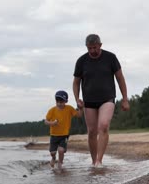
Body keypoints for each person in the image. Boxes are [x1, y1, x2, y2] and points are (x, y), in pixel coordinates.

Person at [73, 34, 130, 167]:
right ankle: (94, 161)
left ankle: (99, 160)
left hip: (107, 98)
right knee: (92, 131)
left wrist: (125, 99)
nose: (92, 51)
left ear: (100, 45)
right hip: (89, 101)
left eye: (95, 47)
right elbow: (76, 82)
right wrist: (77, 99)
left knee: (103, 125)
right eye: (89, 48)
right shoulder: (81, 61)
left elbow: (120, 78)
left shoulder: (110, 58)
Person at [44, 90, 83, 169]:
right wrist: (52, 123)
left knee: (61, 150)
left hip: (64, 134)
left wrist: (81, 108)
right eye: (57, 101)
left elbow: (79, 115)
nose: (59, 103)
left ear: (66, 101)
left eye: (61, 102)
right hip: (54, 135)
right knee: (52, 152)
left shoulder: (69, 109)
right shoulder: (52, 110)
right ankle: (54, 158)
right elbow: (46, 121)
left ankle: (60, 163)